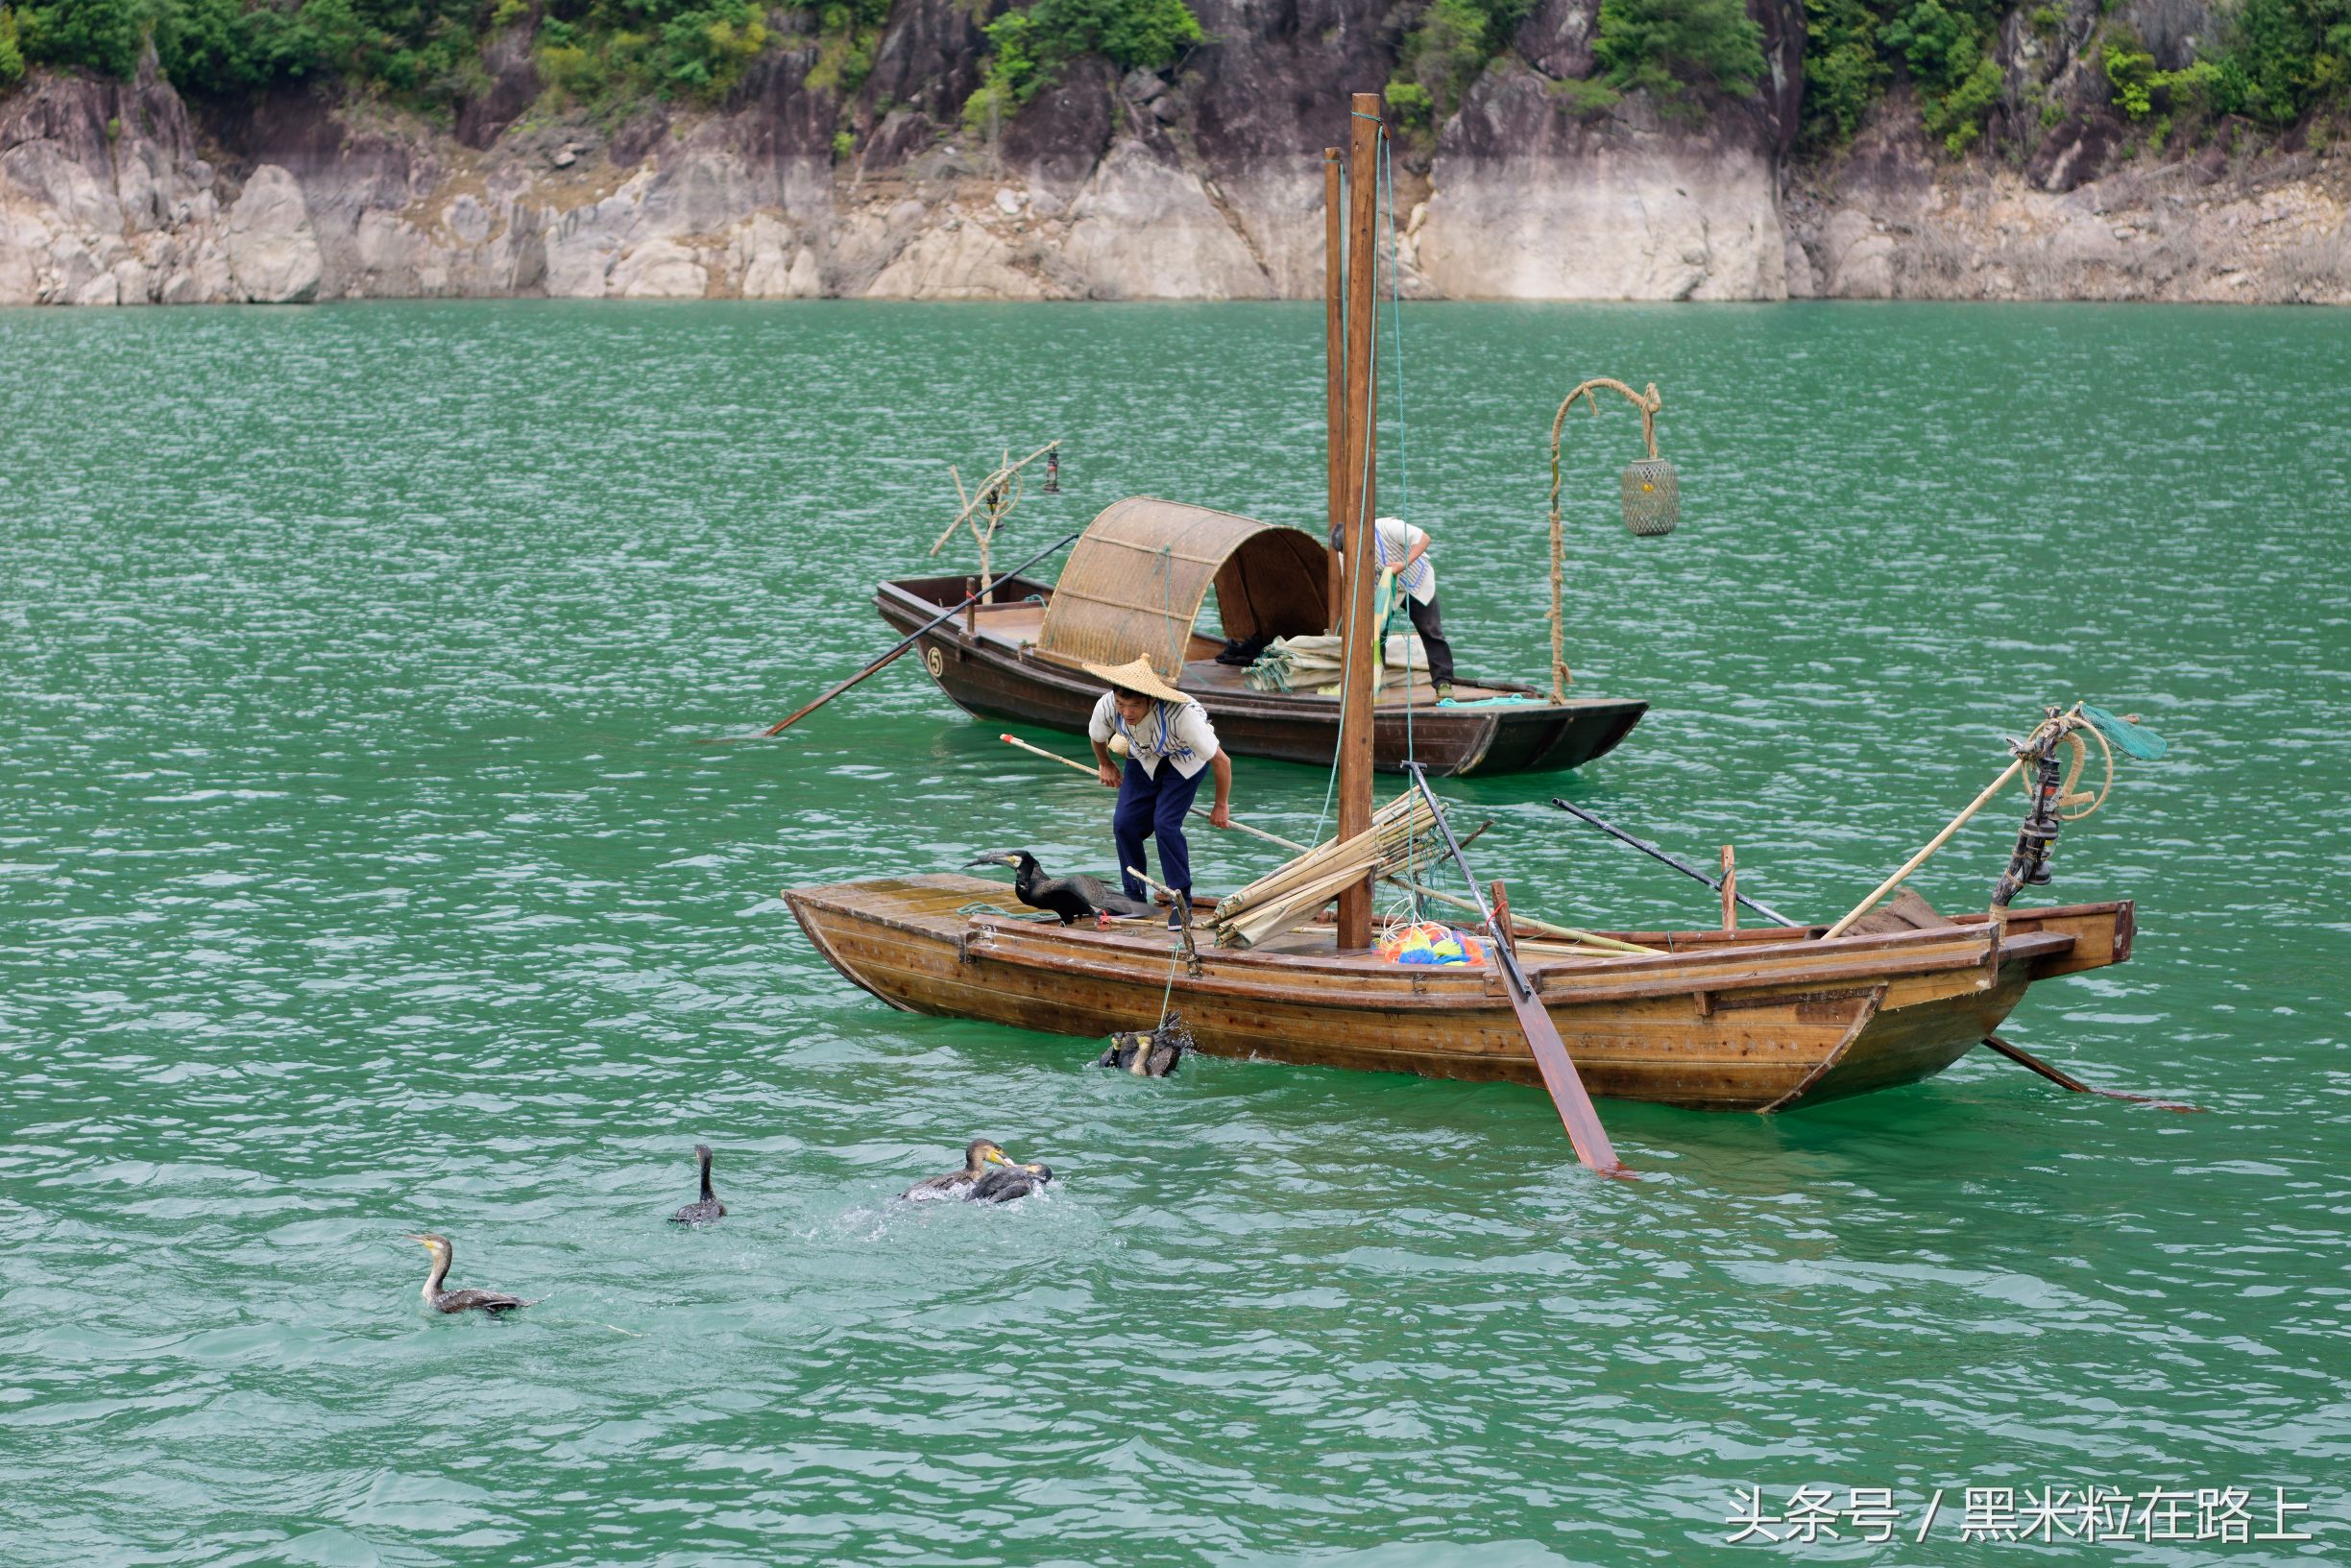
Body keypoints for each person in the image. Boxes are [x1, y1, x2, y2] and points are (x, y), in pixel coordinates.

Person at [1081, 656, 1232, 926]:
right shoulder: (1107, 705)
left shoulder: (1182, 715)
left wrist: (1220, 805)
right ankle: (1134, 898)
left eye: (1135, 705)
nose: (1126, 712)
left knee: (1165, 824)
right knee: (1124, 824)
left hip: (1186, 762)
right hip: (1143, 758)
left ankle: (1181, 901)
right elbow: (1097, 737)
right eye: (1121, 704)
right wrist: (1106, 764)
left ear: (1150, 700)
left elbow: (1222, 761)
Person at [1363, 515, 1456, 697]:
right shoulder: (1345, 556)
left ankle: (1443, 682)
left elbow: (1424, 538)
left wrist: (1403, 564)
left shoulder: (1388, 527)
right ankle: (1375, 680)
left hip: (1416, 582)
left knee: (1431, 629)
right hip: (1384, 591)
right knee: (1376, 634)